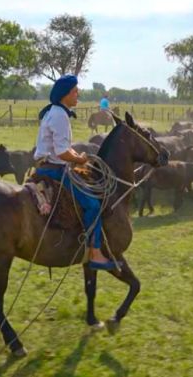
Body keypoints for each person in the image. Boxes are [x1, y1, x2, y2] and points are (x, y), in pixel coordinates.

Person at [33, 75, 115, 270]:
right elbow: (61, 152)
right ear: (65, 94)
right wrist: (80, 159)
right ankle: (94, 253)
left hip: (47, 165)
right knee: (93, 205)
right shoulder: (60, 115)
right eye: (75, 91)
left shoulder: (54, 112)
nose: (78, 94)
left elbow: (62, 148)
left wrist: (76, 155)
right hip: (54, 171)